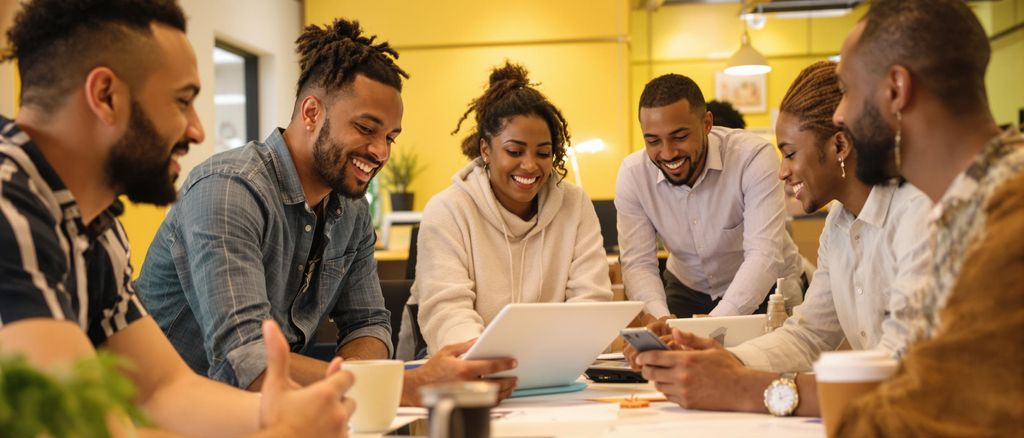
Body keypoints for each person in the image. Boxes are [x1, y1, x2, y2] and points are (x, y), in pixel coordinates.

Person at [0, 1, 357, 438]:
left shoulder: (91, 221)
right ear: (105, 96)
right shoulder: (9, 206)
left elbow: (159, 390)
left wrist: (276, 414)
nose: (196, 130)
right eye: (182, 101)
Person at [136, 20, 517, 406]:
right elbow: (248, 363)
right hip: (155, 421)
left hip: (266, 415)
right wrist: (400, 386)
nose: (381, 152)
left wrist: (356, 389)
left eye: (390, 138)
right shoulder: (229, 190)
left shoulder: (351, 210)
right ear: (311, 112)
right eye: (366, 128)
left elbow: (369, 325)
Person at [630, 61, 931, 417]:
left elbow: (902, 368)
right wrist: (722, 359)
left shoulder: (919, 214)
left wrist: (741, 387)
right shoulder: (837, 224)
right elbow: (809, 334)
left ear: (839, 145)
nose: (782, 171)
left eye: (789, 154)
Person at [827, 0, 1023, 438]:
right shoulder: (967, 206)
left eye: (846, 89)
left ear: (896, 90)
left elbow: (919, 435)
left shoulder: (1012, 217)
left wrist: (855, 432)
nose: (838, 114)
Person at [400, 63, 612, 357]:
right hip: (463, 362)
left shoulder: (574, 205)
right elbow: (448, 313)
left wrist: (556, 357)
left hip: (549, 363)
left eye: (543, 153)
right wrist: (492, 363)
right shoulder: (448, 209)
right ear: (485, 150)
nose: (530, 165)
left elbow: (591, 301)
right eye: (514, 151)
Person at [616, 74, 804, 324]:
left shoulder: (752, 157)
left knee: (762, 348)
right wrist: (661, 320)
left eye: (679, 137)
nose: (668, 153)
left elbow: (763, 254)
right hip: (687, 285)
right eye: (653, 141)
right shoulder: (633, 174)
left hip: (764, 285)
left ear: (706, 124)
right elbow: (638, 263)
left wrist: (715, 324)